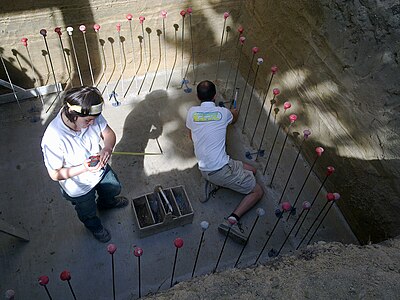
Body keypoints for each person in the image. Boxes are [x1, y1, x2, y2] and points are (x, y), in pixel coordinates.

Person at [41, 86, 128, 243]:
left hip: (100, 170)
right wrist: (84, 168)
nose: (93, 123)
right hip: (78, 188)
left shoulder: (90, 114)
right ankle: (95, 227)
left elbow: (108, 133)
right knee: (87, 211)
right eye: (88, 121)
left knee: (114, 187)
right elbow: (55, 174)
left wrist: (107, 148)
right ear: (72, 113)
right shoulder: (52, 139)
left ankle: (106, 203)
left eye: (94, 119)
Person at [186, 80, 264, 244]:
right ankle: (231, 221)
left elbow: (191, 136)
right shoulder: (223, 113)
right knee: (257, 191)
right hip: (221, 169)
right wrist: (234, 112)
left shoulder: (192, 112)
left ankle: (210, 180)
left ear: (198, 96)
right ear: (214, 96)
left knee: (252, 170)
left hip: (206, 166)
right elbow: (234, 118)